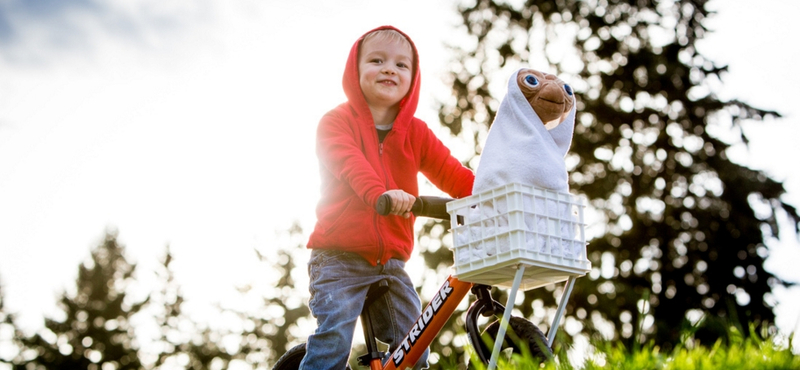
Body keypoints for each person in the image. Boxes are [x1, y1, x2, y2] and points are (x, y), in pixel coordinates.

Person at [301, 25, 474, 370]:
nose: (389, 69)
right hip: (338, 256)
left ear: (413, 77)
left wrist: (491, 196)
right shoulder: (336, 123)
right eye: (377, 61)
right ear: (355, 69)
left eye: (401, 65)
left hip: (390, 262)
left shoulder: (417, 133)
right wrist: (381, 194)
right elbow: (351, 165)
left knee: (415, 346)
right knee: (334, 337)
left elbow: (453, 173)